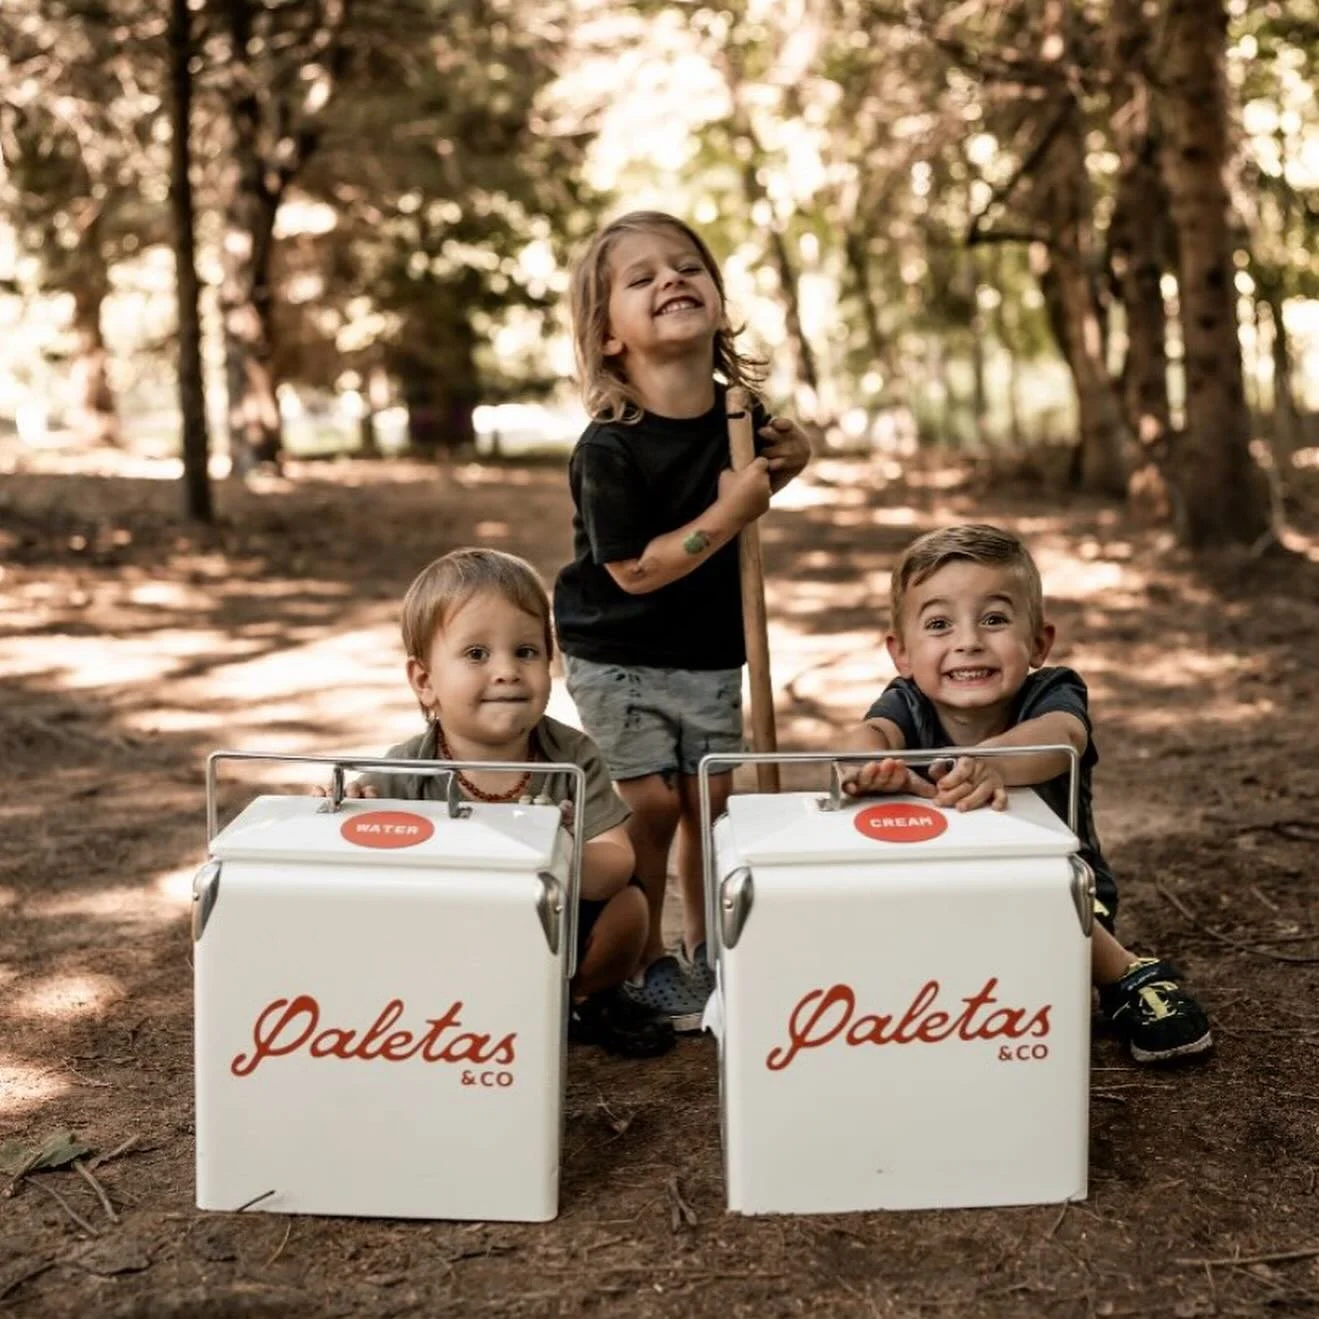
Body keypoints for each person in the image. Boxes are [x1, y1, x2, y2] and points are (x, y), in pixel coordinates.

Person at [552, 210, 812, 1031]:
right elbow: (632, 568)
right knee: (652, 805)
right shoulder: (610, 446)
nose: (671, 279)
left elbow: (747, 489)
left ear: (715, 296)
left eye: (686, 266)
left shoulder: (738, 414)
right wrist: (733, 509)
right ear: (607, 337)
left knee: (712, 798)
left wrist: (785, 462)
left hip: (705, 649)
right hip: (616, 650)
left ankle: (710, 950)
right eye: (641, 278)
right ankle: (643, 955)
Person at [844, 523, 1213, 1065]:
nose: (968, 641)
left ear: (1038, 642)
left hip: (1067, 894)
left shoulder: (1051, 693)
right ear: (902, 653)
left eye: (993, 619)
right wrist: (866, 765)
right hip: (940, 893)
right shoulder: (908, 703)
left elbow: (1061, 737)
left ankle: (1126, 974)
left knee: (1036, 892)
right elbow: (869, 738)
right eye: (940, 624)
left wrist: (990, 764)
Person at [330, 547, 673, 1058]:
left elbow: (616, 865)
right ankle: (438, 1007)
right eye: (476, 655)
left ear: (549, 663)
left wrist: (564, 845)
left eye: (526, 652)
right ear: (425, 682)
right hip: (446, 933)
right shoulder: (409, 767)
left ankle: (581, 1001)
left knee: (630, 906)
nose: (508, 671)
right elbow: (355, 848)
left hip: (548, 931)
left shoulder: (569, 756)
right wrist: (347, 803)